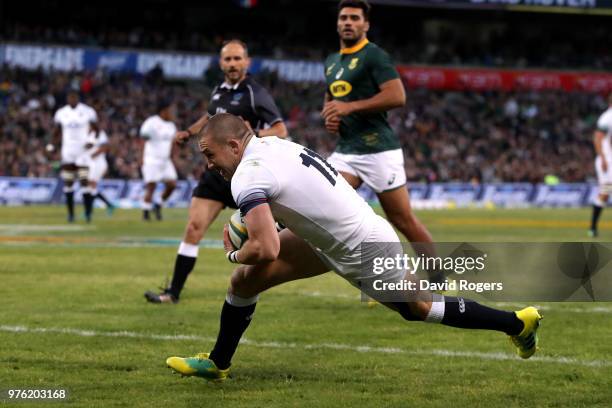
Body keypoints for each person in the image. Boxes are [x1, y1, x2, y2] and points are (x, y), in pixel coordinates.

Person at [165, 113, 543, 381]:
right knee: (244, 282)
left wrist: (234, 249)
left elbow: (265, 248)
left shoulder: (247, 175)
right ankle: (218, 363)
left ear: (233, 145)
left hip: (364, 247)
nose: (209, 165)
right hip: (330, 238)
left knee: (419, 308)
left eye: (210, 155)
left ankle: (517, 322)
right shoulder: (272, 145)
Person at [144, 40, 287, 304]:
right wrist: (189, 132)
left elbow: (280, 130)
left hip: (246, 175)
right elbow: (210, 118)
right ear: (221, 63)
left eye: (237, 59)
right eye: (228, 60)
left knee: (270, 234)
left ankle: (260, 281)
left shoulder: (255, 93)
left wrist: (252, 134)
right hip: (215, 172)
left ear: (247, 62)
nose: (232, 64)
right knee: (193, 228)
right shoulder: (219, 90)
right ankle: (172, 293)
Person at [320, 0, 436, 275]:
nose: (348, 22)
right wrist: (331, 116)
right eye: (344, 17)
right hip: (346, 150)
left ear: (365, 24)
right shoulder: (332, 61)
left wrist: (349, 108)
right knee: (325, 202)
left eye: (354, 18)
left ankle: (437, 275)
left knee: (402, 219)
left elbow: (397, 96)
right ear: (337, 23)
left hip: (378, 149)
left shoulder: (375, 56)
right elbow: (331, 97)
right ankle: (372, 270)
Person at [52, 90, 98, 223]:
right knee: (68, 183)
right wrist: (51, 145)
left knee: (84, 181)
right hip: (67, 152)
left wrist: (91, 141)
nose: (72, 99)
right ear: (67, 98)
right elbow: (56, 131)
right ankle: (71, 214)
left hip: (82, 152)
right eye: (69, 97)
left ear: (78, 98)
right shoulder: (61, 113)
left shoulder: (88, 111)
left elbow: (96, 129)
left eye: (74, 97)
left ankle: (88, 213)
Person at [139, 99, 178, 221]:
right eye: (170, 110)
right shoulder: (151, 122)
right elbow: (143, 138)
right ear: (163, 111)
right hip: (152, 159)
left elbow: (173, 142)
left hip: (165, 161)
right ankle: (146, 212)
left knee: (172, 184)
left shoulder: (171, 125)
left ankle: (158, 204)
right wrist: (141, 157)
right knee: (151, 186)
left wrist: (173, 156)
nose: (172, 112)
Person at [589, 93, 612, 237]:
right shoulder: (607, 117)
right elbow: (597, 138)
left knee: (606, 191)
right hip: (607, 161)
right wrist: (602, 158)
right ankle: (592, 228)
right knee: (605, 192)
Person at [83, 126, 115, 214]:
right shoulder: (85, 134)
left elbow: (105, 147)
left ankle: (89, 211)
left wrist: (92, 155)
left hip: (98, 163)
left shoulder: (100, 133)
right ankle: (108, 205)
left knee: (91, 184)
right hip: (90, 163)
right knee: (89, 186)